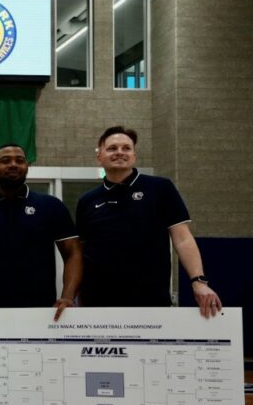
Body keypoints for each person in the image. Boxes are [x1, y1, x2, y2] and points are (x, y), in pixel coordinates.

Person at [76, 126, 222, 317]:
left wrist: (199, 282)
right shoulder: (87, 200)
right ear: (99, 156)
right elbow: (80, 253)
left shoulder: (161, 188)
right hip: (97, 303)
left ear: (134, 156)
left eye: (126, 148)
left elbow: (183, 239)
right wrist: (72, 294)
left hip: (150, 301)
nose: (120, 152)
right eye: (112, 148)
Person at [0, 143, 83, 326]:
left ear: (27, 167)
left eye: (19, 160)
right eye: (5, 160)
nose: (13, 164)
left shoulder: (51, 206)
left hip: (41, 313)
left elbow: (73, 253)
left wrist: (68, 297)